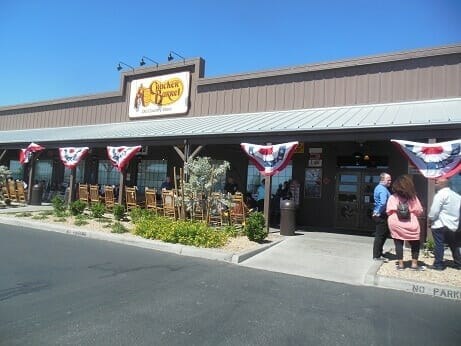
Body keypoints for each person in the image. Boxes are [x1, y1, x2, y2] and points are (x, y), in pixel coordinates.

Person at [386, 175, 425, 270]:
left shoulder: (392, 197)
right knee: (415, 243)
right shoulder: (413, 198)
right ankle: (414, 265)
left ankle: (400, 265)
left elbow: (388, 211)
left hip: (395, 222)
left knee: (398, 243)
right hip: (411, 222)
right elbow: (419, 211)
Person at [427, 177, 461, 271]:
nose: (435, 184)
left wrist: (430, 219)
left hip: (440, 223)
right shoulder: (457, 196)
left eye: (437, 183)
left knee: (439, 244)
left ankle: (438, 264)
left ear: (442, 184)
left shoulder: (440, 195)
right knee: (453, 244)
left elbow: (435, 210)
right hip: (453, 224)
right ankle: (458, 263)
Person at [372, 172, 392, 262]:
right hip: (381, 215)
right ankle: (377, 255)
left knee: (383, 235)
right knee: (380, 235)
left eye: (390, 180)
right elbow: (383, 202)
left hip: (381, 214)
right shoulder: (382, 189)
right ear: (382, 179)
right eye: (388, 180)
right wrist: (378, 212)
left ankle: (379, 253)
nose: (390, 181)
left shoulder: (382, 188)